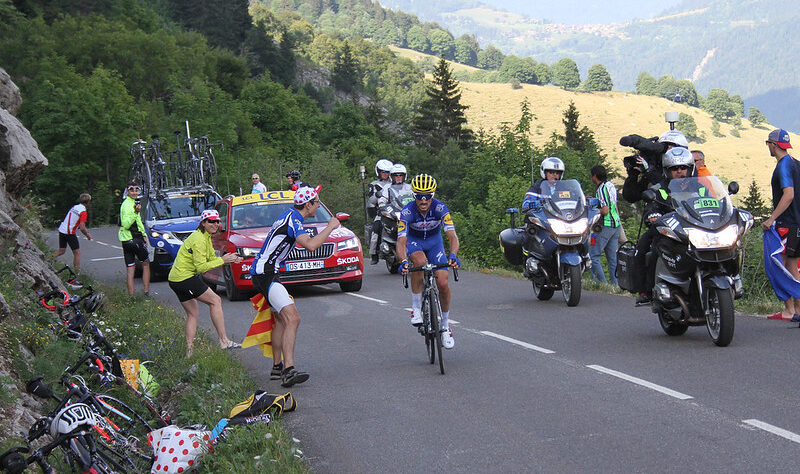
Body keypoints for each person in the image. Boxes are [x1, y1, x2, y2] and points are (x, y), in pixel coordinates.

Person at [250, 185, 340, 387]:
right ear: (307, 205)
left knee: (282, 320)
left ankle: (276, 367)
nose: (317, 207)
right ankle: (289, 370)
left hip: (266, 272)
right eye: (316, 203)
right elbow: (310, 245)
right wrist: (330, 227)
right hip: (267, 274)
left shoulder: (290, 216)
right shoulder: (294, 220)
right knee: (293, 318)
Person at [168, 209, 243, 357]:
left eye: (217, 221)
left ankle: (189, 352)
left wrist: (230, 258)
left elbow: (209, 260)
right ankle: (224, 341)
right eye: (211, 221)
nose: (215, 224)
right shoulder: (199, 239)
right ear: (203, 223)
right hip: (184, 278)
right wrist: (224, 260)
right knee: (215, 301)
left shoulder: (205, 236)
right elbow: (201, 267)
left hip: (176, 279)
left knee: (193, 314)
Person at [398, 174, 460, 349]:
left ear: (433, 195)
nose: (423, 200)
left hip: (435, 243)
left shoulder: (441, 208)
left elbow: (452, 236)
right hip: (415, 242)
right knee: (419, 261)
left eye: (427, 196)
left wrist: (453, 255)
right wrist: (403, 260)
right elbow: (401, 242)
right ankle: (416, 308)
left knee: (442, 282)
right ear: (414, 195)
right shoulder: (407, 212)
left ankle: (445, 326)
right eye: (419, 196)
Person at [634, 147, 694, 305]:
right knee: (646, 248)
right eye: (675, 168)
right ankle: (647, 290)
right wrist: (652, 216)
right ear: (668, 170)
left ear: (690, 169)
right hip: (668, 231)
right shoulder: (659, 189)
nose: (679, 171)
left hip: (696, 230)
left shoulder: (701, 187)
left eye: (683, 168)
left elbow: (714, 203)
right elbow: (650, 206)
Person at [762, 129, 800, 320]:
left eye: (767, 143)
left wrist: (771, 218)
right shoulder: (795, 163)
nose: (767, 147)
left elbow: (789, 194)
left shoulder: (783, 166)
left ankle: (790, 310)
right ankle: (796, 311)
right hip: (797, 223)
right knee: (793, 266)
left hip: (787, 223)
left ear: (773, 145)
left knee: (780, 265)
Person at [620, 129, 689, 203]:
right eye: (666, 147)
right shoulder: (655, 168)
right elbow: (631, 197)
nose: (667, 151)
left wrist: (649, 171)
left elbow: (669, 188)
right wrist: (632, 176)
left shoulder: (685, 170)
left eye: (671, 147)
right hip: (655, 212)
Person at [589, 165, 621, 285]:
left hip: (604, 225)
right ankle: (616, 285)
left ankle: (602, 284)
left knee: (593, 256)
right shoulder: (610, 185)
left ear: (595, 176)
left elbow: (605, 210)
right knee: (613, 258)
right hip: (615, 225)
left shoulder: (601, 189)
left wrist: (594, 211)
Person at [119, 181, 150, 296]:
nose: (134, 192)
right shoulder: (128, 205)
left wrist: (144, 234)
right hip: (133, 239)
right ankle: (146, 293)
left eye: (137, 189)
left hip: (127, 240)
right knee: (146, 263)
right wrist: (135, 212)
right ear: (127, 191)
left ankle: (131, 296)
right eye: (131, 190)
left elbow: (138, 222)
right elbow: (126, 224)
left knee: (130, 268)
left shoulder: (131, 202)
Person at [55, 193, 92, 274]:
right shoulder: (83, 212)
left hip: (62, 230)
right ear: (88, 202)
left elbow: (72, 219)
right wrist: (87, 234)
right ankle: (77, 273)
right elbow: (82, 227)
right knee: (77, 253)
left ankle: (47, 258)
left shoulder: (75, 207)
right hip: (69, 232)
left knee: (61, 250)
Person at [367, 159, 393, 264]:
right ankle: (374, 253)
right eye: (383, 172)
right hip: (381, 211)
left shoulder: (395, 183)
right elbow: (372, 200)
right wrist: (379, 194)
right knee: (376, 228)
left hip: (395, 210)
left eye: (387, 172)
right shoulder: (374, 184)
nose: (385, 174)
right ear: (378, 172)